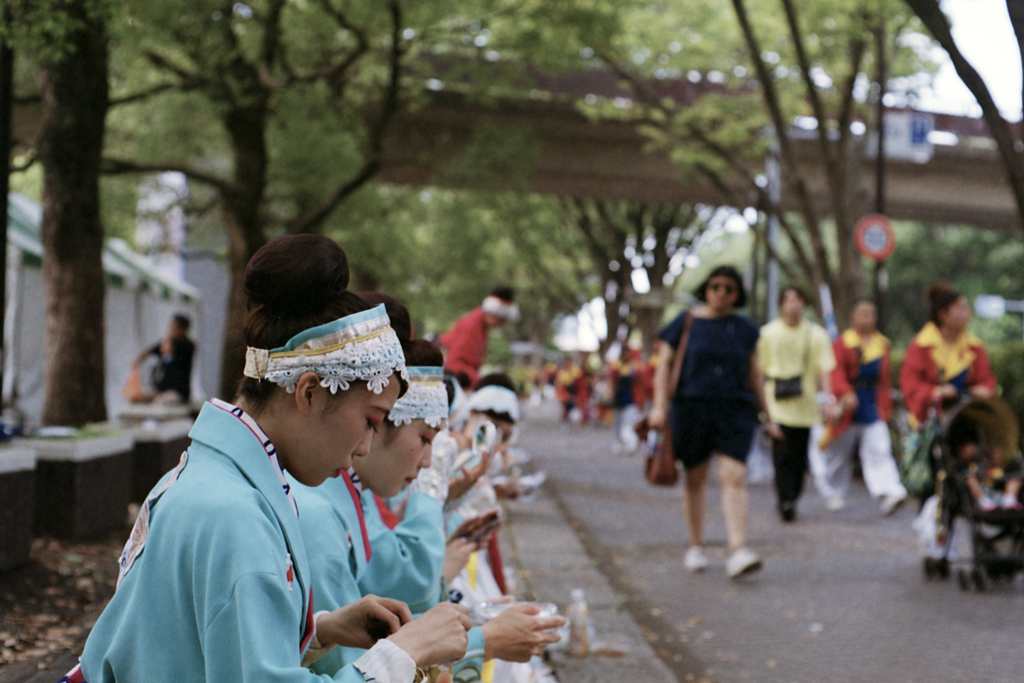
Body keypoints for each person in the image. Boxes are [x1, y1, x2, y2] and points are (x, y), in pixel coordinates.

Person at [63, 235, 471, 683]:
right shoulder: (235, 513)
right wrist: (401, 654)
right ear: (309, 391)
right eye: (372, 420)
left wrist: (319, 631)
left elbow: (187, 645)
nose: (364, 448)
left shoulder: (210, 479)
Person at [648, 265, 772, 579]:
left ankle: (738, 549)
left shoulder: (744, 328)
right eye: (715, 286)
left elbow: (755, 374)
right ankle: (696, 544)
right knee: (695, 478)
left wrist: (769, 416)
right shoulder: (686, 321)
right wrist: (659, 407)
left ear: (737, 294)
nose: (721, 292)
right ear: (706, 288)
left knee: (735, 475)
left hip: (735, 409)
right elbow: (664, 365)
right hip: (691, 408)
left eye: (729, 288)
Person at [815, 300, 907, 515]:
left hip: (871, 402)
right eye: (862, 313)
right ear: (853, 316)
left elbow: (884, 379)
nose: (867, 318)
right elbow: (834, 371)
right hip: (847, 403)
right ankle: (833, 493)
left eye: (871, 314)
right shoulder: (841, 343)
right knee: (840, 452)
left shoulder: (881, 344)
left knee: (879, 448)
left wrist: (886, 406)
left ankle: (889, 491)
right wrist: (845, 393)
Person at [758, 285, 836, 523]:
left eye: (797, 299)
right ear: (781, 304)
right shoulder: (767, 334)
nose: (792, 304)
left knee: (799, 456)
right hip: (776, 401)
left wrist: (828, 400)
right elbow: (760, 371)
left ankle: (793, 494)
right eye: (787, 299)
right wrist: (761, 407)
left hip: (804, 403)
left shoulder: (816, 334)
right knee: (781, 454)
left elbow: (824, 371)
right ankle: (785, 499)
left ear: (803, 303)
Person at [899, 281, 996, 429]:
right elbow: (910, 385)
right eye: (961, 308)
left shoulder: (974, 346)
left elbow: (986, 378)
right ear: (943, 314)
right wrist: (935, 392)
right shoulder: (920, 347)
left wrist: (984, 388)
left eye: (967, 308)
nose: (968, 312)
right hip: (930, 422)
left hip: (967, 418)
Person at [438, 286, 518, 389]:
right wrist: (479, 381)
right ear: (492, 314)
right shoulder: (470, 326)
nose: (502, 324)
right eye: (501, 320)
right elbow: (453, 362)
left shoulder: (483, 329)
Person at [129, 313, 195, 403]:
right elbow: (149, 351)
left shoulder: (187, 345)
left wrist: (167, 342)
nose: (171, 330)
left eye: (174, 327)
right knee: (137, 397)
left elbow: (168, 353)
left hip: (177, 391)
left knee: (160, 402)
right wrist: (136, 363)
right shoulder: (168, 342)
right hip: (161, 389)